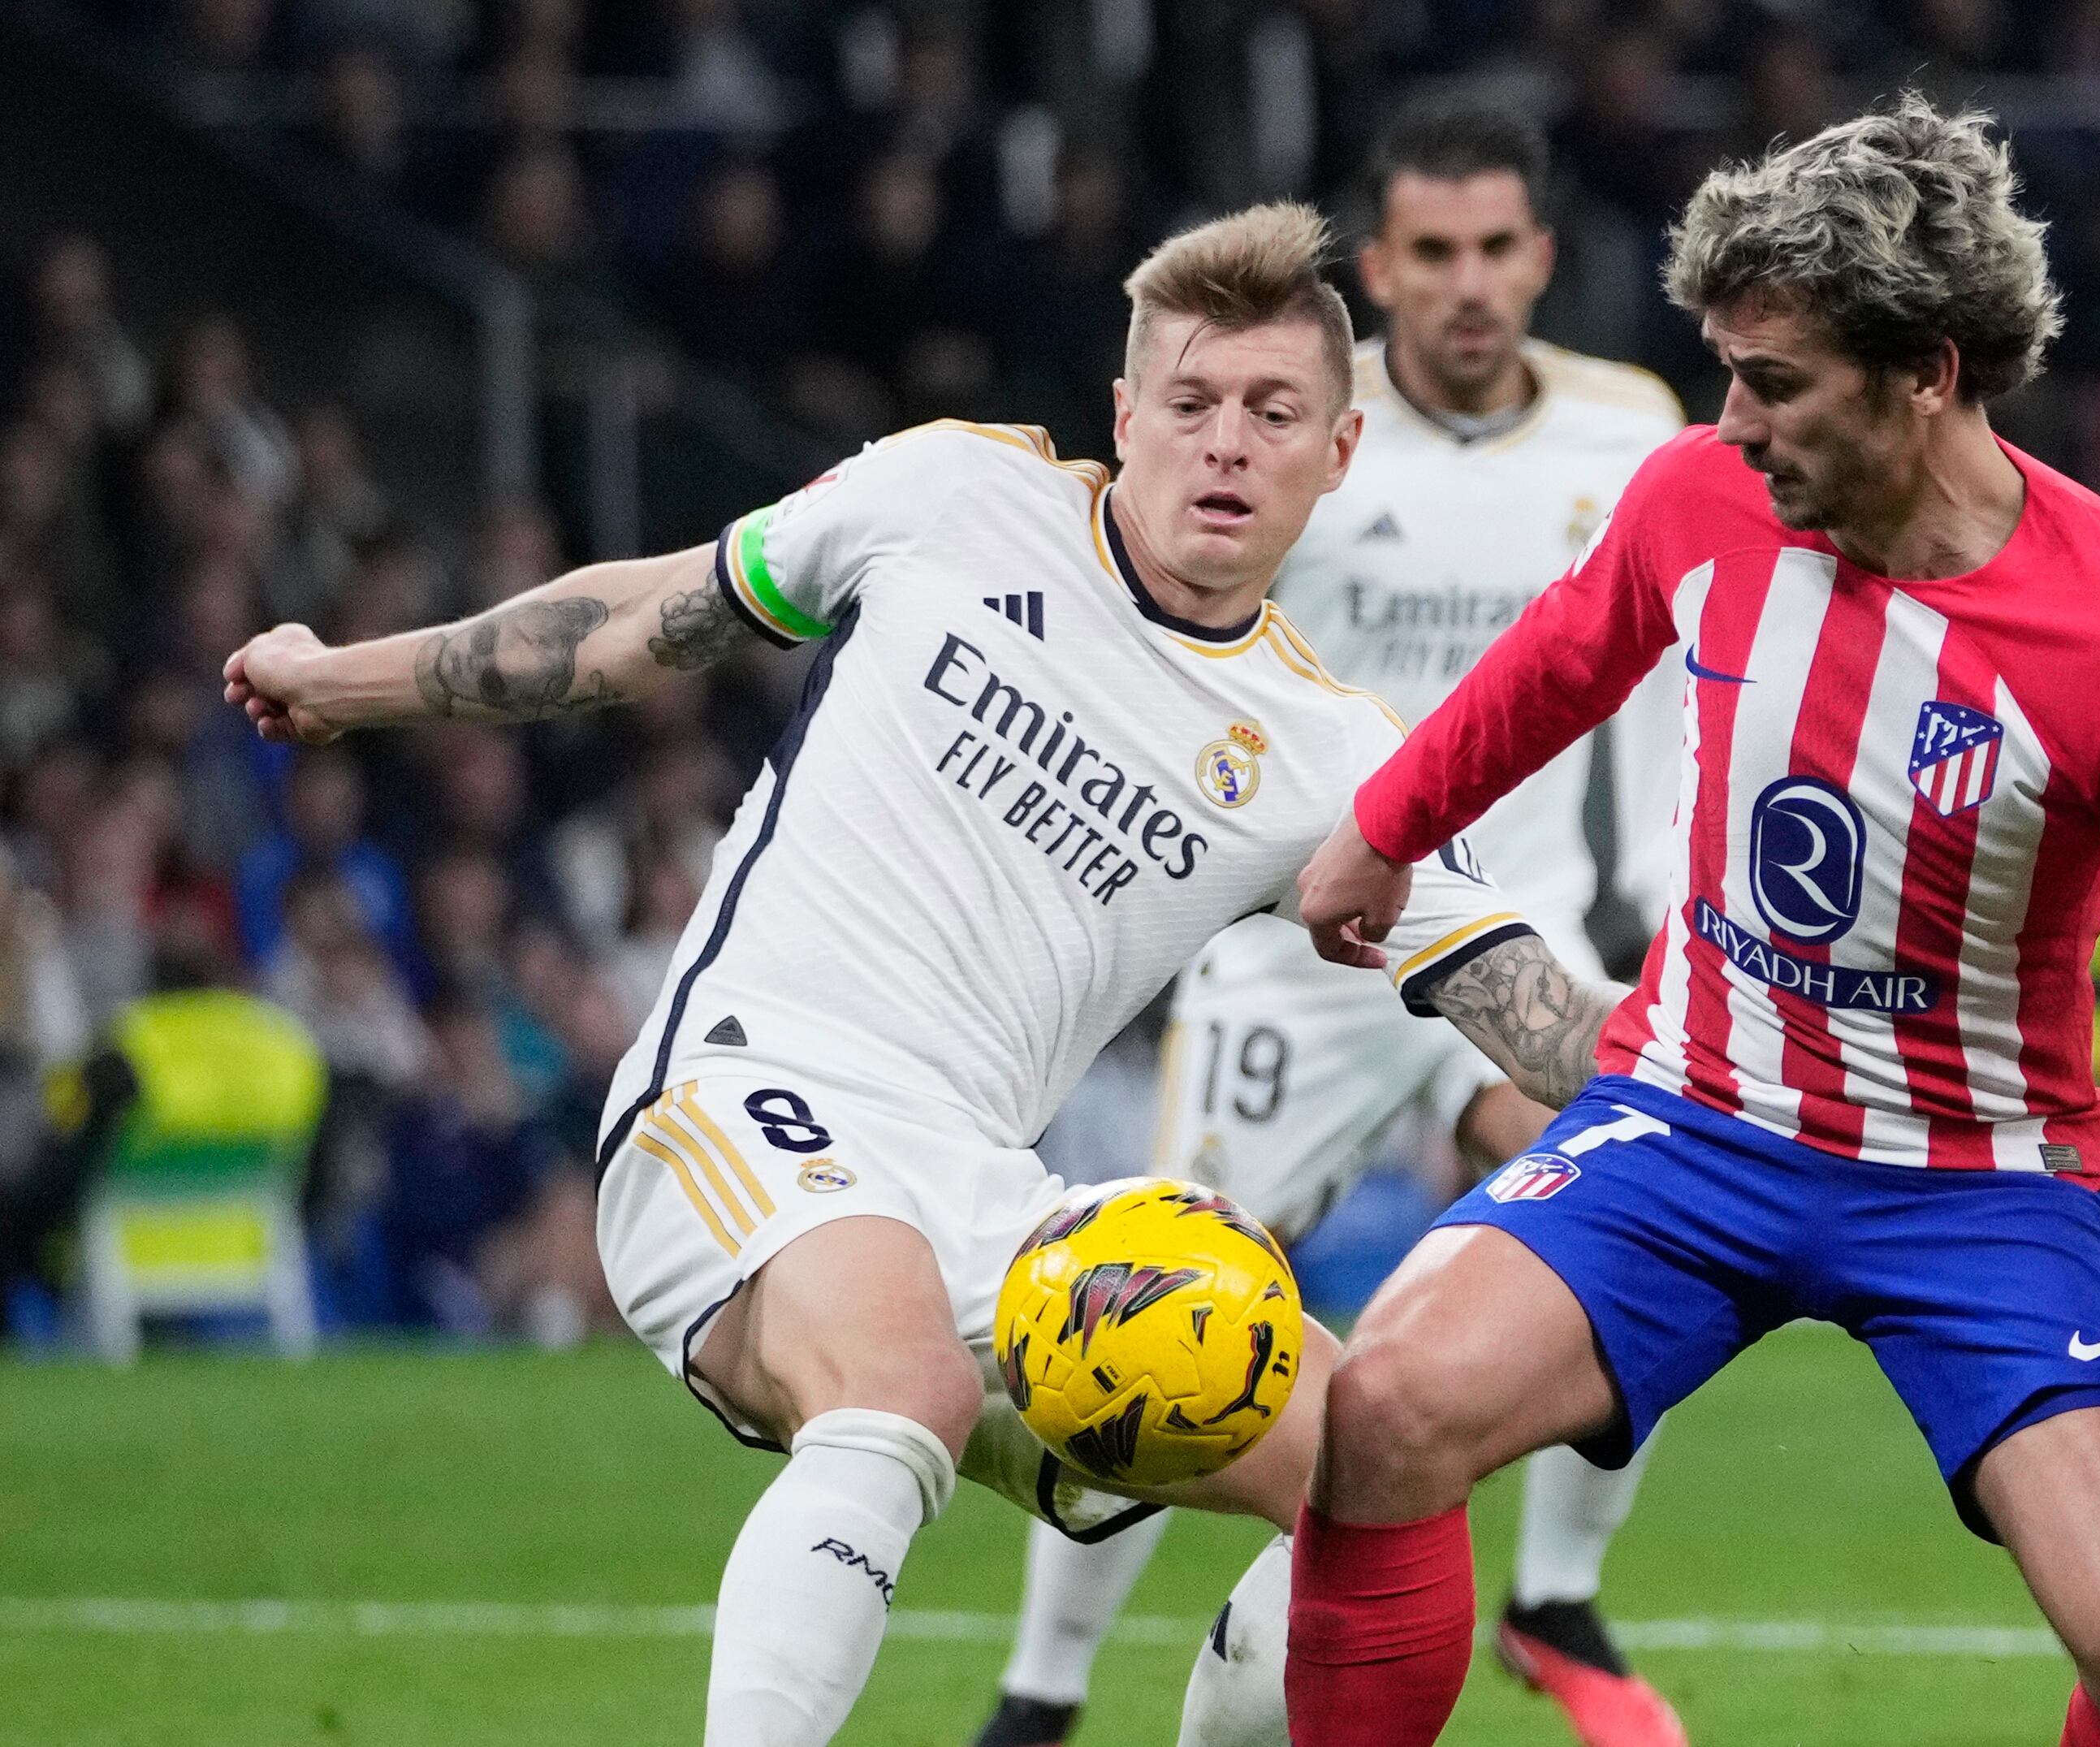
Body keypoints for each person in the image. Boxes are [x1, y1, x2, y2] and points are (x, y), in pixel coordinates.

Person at [220, 201, 1621, 1747]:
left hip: (986, 1191)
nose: (1226, 444)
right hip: (746, 1092)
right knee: (902, 1386)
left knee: (1372, 1460)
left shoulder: (1327, 758)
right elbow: (635, 623)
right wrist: (340, 681)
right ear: (1125, 415)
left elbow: (1541, 1017)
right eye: (1192, 402)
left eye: (1273, 412)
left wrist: (1787, 1108)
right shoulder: (953, 492)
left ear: (1339, 451)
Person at [1288, 98, 2100, 1747]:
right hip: (1693, 1119)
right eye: (1722, 371)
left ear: (1922, 370)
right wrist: (1378, 831)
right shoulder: (1696, 498)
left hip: (1978, 1181)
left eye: (1772, 381)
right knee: (1385, 1405)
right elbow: (1562, 656)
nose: (1730, 421)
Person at [973, 100, 1689, 1747]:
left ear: (1539, 258)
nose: (1464, 285)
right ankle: (1041, 1691)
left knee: (1640, 1213)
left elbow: (1665, 667)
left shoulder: (1625, 430)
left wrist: (1652, 879)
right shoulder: (1298, 424)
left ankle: (1558, 1589)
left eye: (1493, 249)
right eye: (1428, 253)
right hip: (1287, 946)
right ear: (1380, 268)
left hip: (1510, 928)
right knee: (1157, 1307)